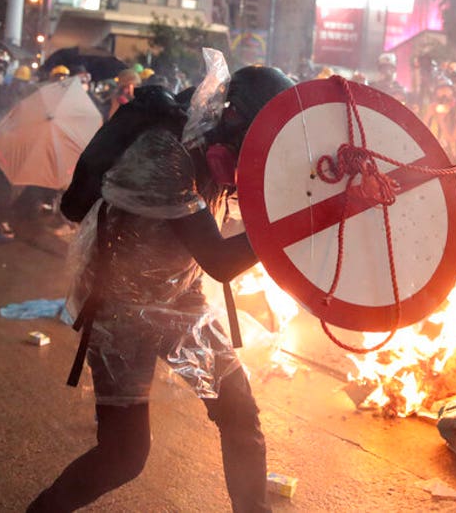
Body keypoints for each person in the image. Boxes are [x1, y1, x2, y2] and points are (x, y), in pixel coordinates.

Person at [31, 66, 294, 513]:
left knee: (239, 414)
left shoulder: (217, 144)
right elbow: (220, 261)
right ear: (230, 120)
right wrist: (297, 226)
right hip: (119, 307)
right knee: (124, 457)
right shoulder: (164, 154)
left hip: (178, 298)